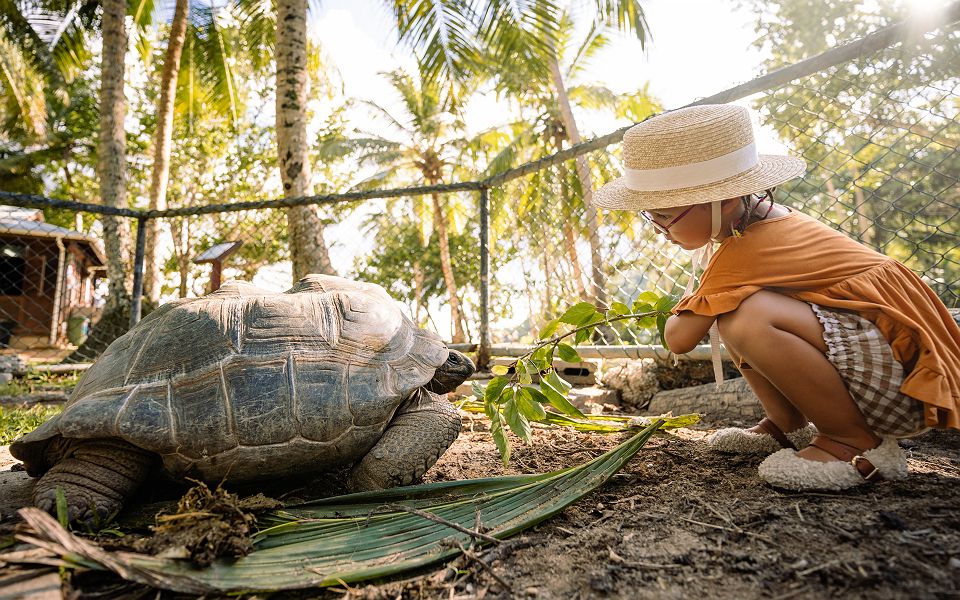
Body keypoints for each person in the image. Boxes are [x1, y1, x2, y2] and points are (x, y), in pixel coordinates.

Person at [593, 104, 960, 491]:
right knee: (737, 307)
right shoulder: (766, 219)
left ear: (723, 201)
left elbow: (678, 339)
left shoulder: (746, 251)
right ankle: (787, 425)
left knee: (747, 315)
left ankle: (852, 441)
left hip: (904, 387)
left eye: (664, 217)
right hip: (892, 368)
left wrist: (689, 303)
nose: (659, 230)